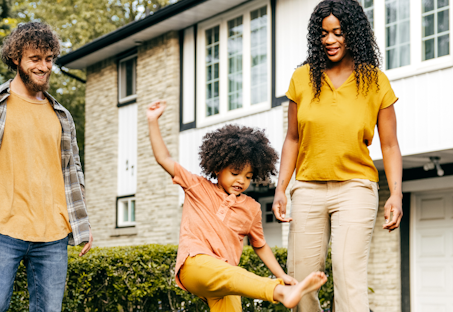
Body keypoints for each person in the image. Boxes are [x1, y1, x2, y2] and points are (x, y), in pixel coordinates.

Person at [271, 0, 404, 311]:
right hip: (307, 188)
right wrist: (281, 188)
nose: (329, 40)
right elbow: (292, 138)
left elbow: (390, 145)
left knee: (349, 277)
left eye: (338, 32)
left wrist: (395, 194)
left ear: (353, 34)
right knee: (300, 281)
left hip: (355, 188)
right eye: (323, 33)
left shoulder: (375, 82)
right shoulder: (302, 78)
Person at [0, 22, 93, 312]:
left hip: (53, 235)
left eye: (49, 59)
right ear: (15, 58)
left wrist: (82, 223)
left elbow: (73, 173)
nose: (44, 67)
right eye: (35, 59)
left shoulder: (62, 116)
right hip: (1, 229)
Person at [146, 100, 328, 311]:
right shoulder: (196, 186)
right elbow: (163, 158)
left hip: (226, 275)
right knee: (230, 274)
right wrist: (153, 121)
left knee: (231, 281)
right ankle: (279, 292)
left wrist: (283, 275)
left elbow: (260, 246)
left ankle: (282, 287)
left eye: (248, 176)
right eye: (235, 173)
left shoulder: (251, 208)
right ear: (217, 168)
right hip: (194, 265)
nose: (241, 180)